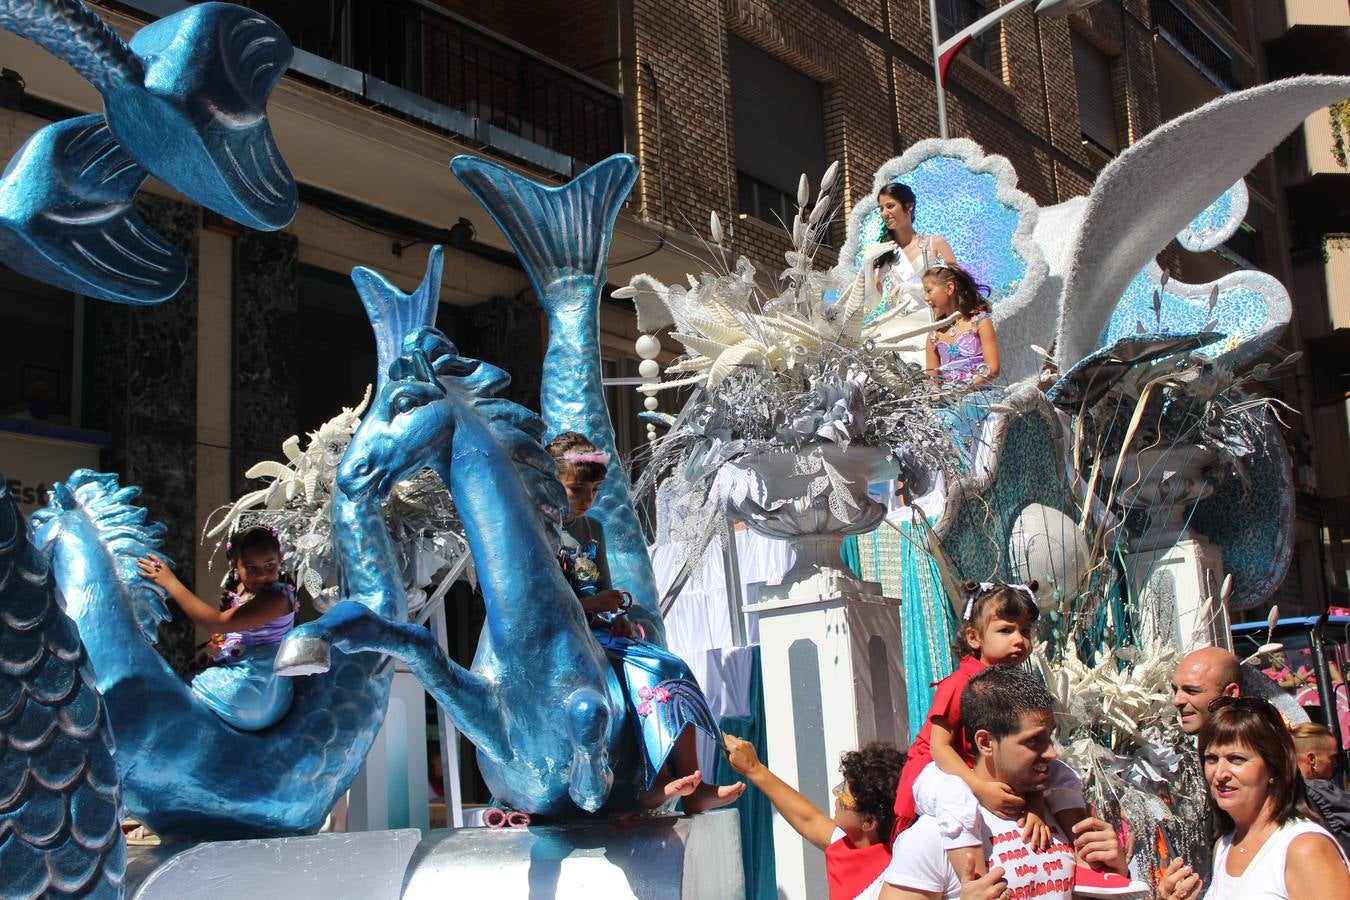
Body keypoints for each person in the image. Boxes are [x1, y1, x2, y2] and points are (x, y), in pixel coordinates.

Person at [546, 431, 745, 813]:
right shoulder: (542, 531)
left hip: (600, 634)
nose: (588, 500)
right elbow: (548, 601)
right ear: (552, 484)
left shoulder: (594, 531)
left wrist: (615, 614)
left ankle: (693, 783)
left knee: (671, 666)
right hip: (564, 638)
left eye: (595, 490)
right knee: (654, 670)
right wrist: (592, 604)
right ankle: (655, 784)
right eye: (577, 490)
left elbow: (602, 589)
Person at [881, 666, 1132, 900]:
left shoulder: (1059, 811)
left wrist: (1117, 870)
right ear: (986, 743)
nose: (1052, 753)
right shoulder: (938, 833)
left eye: (1050, 736)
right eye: (1034, 740)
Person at [1158, 697, 1350, 899]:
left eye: (1237, 759)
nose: (1220, 773)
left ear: (1274, 767)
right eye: (1212, 759)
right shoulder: (1225, 845)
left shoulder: (1304, 848)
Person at [137, 525, 299, 729]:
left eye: (270, 566)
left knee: (170, 692)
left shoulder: (276, 598)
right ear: (235, 564)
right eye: (251, 568)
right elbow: (225, 637)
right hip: (260, 689)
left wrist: (171, 582)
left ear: (280, 561)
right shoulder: (244, 592)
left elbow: (217, 623)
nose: (261, 575)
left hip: (257, 692)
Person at [724, 733, 903, 900]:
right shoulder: (848, 843)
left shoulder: (895, 877)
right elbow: (808, 819)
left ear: (868, 822)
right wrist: (752, 768)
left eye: (843, 793)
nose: (835, 791)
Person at [848, 183, 958, 367]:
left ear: (908, 206)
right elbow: (872, 302)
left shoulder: (935, 244)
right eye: (881, 208)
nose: (884, 213)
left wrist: (916, 288)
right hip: (903, 321)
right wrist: (868, 264)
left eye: (890, 206)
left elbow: (957, 286)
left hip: (933, 319)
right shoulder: (886, 255)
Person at [922, 263, 999, 388]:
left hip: (980, 398)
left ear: (949, 288)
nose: (925, 298)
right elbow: (932, 381)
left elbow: (993, 368)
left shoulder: (980, 322)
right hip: (950, 403)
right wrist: (937, 395)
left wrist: (965, 389)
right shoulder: (934, 335)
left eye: (929, 290)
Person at [1289, 722, 1350, 855]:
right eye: (1332, 757)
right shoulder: (1319, 790)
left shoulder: (1279, 790)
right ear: (1312, 759)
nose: (1335, 764)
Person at [1171, 646, 1243, 736]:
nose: (1177, 701)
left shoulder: (1251, 747)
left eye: (1191, 690)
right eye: (1175, 690)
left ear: (1231, 693)